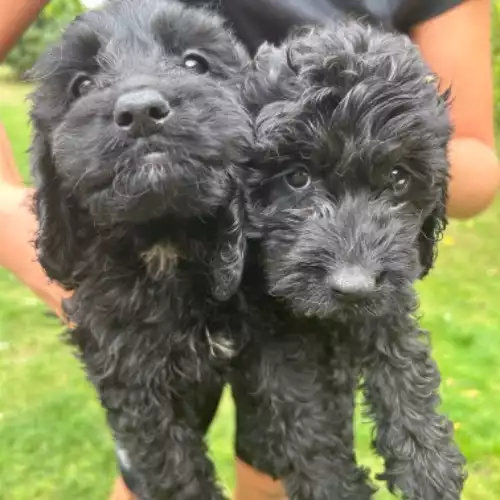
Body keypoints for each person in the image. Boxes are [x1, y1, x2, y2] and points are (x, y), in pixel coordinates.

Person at [0, 1, 498, 499]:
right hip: (159, 250)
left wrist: (393, 150)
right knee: (153, 471)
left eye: (194, 62)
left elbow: (474, 149)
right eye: (84, 84)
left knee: (292, 466)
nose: (139, 100)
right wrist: (39, 243)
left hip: (286, 277)